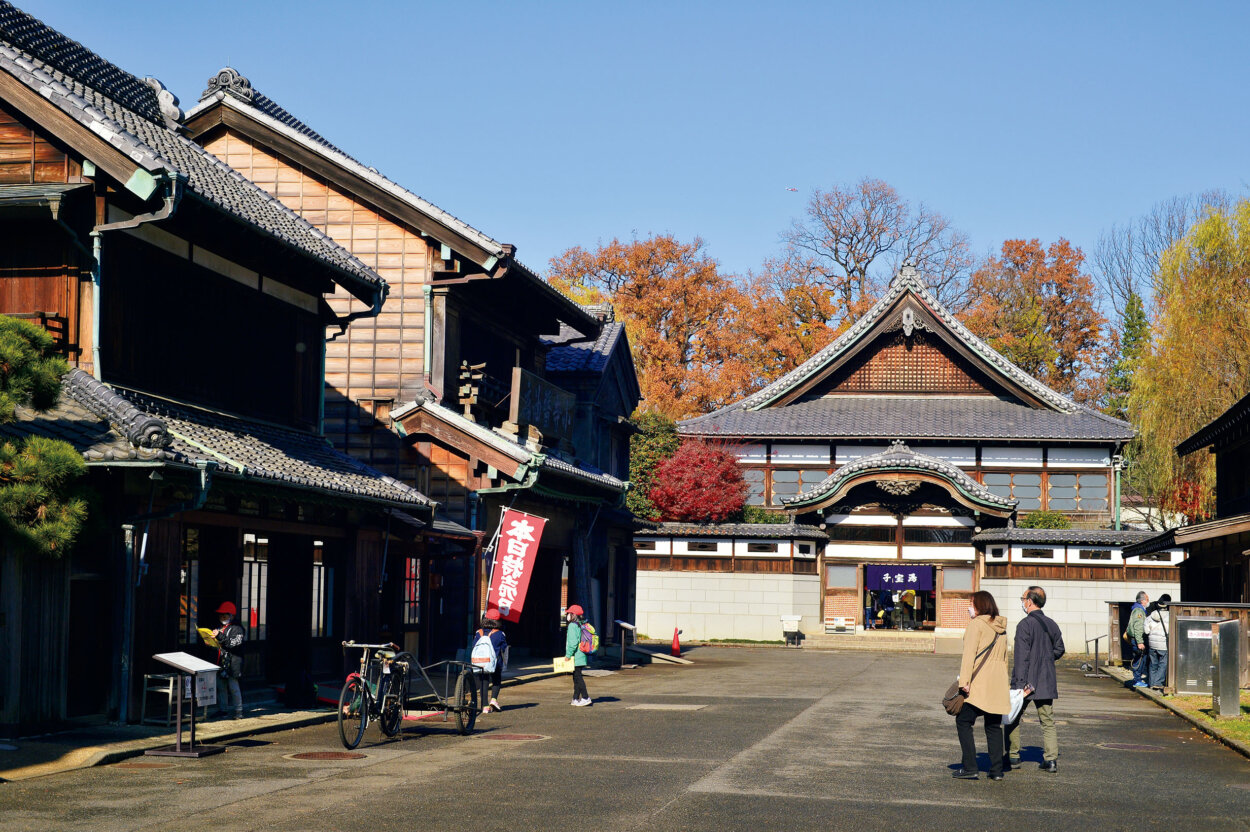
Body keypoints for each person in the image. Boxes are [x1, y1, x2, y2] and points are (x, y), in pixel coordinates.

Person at [1004, 585, 1065, 773]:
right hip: (1046, 679)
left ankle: (1013, 756)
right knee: (1047, 721)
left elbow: (1021, 657)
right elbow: (1060, 649)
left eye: (1023, 599)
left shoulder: (1025, 625)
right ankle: (1051, 759)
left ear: (1030, 601)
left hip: (1027, 681)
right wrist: (1046, 659)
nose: (1022, 602)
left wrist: (1019, 685)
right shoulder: (1052, 623)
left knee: (1013, 717)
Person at [952, 590, 1009, 781]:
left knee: (963, 721)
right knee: (993, 726)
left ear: (979, 606)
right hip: (998, 682)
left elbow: (969, 655)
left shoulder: (977, 625)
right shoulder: (1002, 627)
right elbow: (1005, 658)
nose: (970, 607)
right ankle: (996, 770)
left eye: (971, 603)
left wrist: (964, 682)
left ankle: (970, 767)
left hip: (979, 682)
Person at [212, 601, 245, 719]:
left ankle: (238, 711)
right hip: (220, 661)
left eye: (225, 615)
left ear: (232, 616)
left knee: (233, 687)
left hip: (233, 662)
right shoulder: (220, 627)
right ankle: (223, 709)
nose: (222, 617)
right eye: (221, 615)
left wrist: (219, 636)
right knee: (221, 687)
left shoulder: (238, 629)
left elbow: (233, 644)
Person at [473, 613, 508, 713]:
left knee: (483, 682)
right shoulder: (500, 634)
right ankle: (493, 700)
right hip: (495, 662)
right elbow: (504, 648)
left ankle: (485, 706)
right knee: (496, 679)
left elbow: (474, 645)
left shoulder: (478, 632)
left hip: (482, 662)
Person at [1142, 593, 1172, 691]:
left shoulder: (1151, 616)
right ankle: (1158, 683)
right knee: (1162, 664)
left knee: (1153, 664)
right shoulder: (1169, 616)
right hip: (1163, 644)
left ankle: (1151, 683)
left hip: (1152, 644)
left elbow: (1146, 630)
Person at [564, 604, 591, 706]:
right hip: (582, 654)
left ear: (573, 615)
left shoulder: (572, 626)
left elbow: (573, 643)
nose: (567, 615)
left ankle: (585, 697)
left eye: (569, 613)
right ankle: (575, 698)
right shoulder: (581, 624)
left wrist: (568, 655)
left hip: (576, 656)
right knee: (576, 676)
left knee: (578, 677)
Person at [1124, 591, 1149, 688]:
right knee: (1139, 660)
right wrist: (1140, 642)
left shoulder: (1136, 609)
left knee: (1138, 659)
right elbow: (1138, 627)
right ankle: (1137, 680)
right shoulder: (1139, 611)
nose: (1148, 602)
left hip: (1135, 639)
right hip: (1138, 639)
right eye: (1147, 599)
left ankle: (1137, 679)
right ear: (1143, 600)